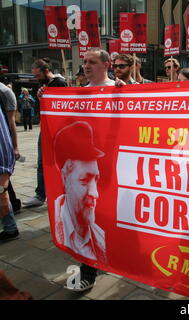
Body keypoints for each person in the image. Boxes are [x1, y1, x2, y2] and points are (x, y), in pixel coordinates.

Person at [64, 48, 115, 292]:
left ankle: (111, 257)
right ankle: (87, 271)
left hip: (110, 164)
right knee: (86, 215)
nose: (86, 66)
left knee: (107, 216)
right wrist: (49, 98)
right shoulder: (79, 93)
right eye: (84, 62)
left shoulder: (118, 90)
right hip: (88, 164)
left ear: (106, 65)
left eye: (92, 62)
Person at [53, 121, 106, 263]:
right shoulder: (58, 227)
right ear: (64, 177)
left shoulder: (101, 241)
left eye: (96, 180)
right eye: (84, 181)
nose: (95, 194)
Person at [24, 58, 67, 208]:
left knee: (59, 163)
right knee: (42, 161)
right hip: (46, 128)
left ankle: (60, 193)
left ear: (46, 71)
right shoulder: (42, 83)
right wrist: (40, 96)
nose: (37, 79)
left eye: (38, 76)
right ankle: (40, 194)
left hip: (59, 129)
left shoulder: (59, 83)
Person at [0, 82, 22, 214]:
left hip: (3, 140)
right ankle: (13, 204)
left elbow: (11, 121)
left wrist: (15, 147)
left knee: (3, 178)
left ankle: (12, 205)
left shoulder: (4, 92)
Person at [0, 91, 18, 242]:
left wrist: (3, 187)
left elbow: (10, 124)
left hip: (2, 161)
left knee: (3, 198)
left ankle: (10, 228)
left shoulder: (4, 91)